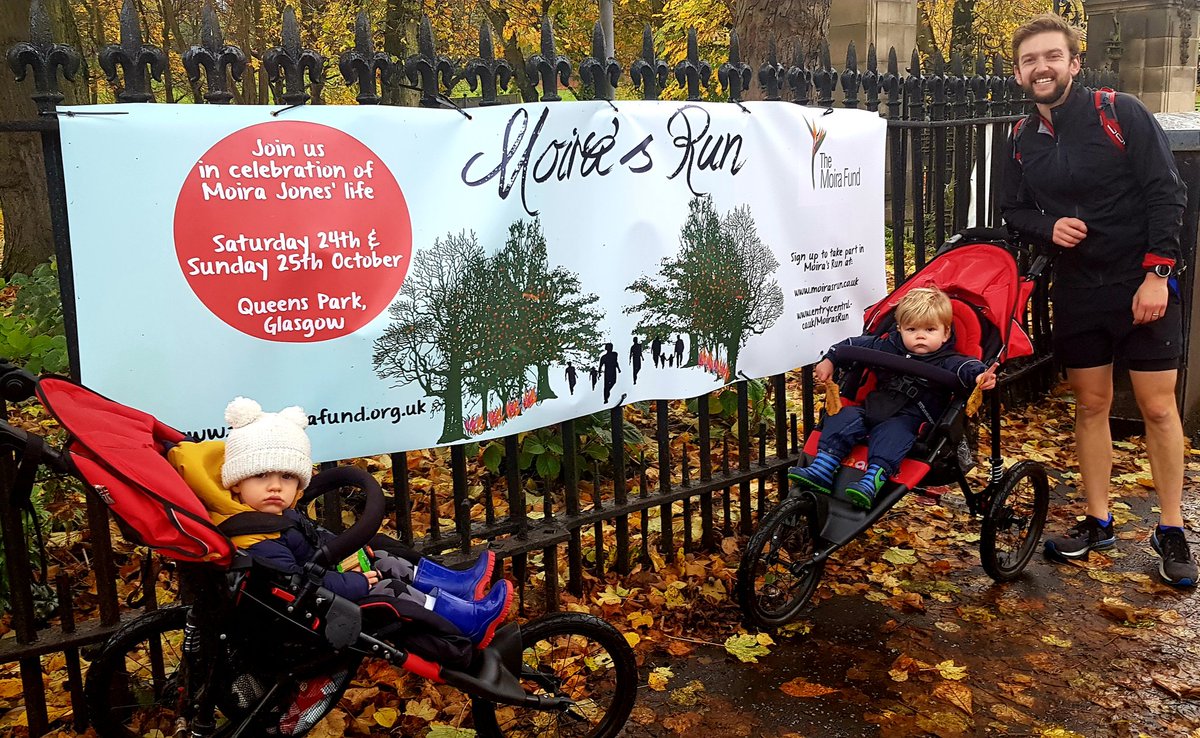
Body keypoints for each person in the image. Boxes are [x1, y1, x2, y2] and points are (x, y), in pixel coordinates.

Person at [1001, 14, 1196, 586]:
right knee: (1090, 406)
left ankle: (1171, 528)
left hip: (1143, 285)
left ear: (1074, 63)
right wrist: (1048, 227)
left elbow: (1168, 191)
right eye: (1031, 60)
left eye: (1052, 56)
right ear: (1019, 73)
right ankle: (1097, 519)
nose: (1042, 67)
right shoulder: (1021, 139)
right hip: (1080, 290)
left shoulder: (1120, 114)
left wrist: (1158, 273)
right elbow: (1011, 211)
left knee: (1159, 407)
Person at [212, 397, 513, 648]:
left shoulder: (278, 515)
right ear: (237, 483)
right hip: (315, 604)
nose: (275, 486)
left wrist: (346, 551)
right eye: (262, 476)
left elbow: (314, 537)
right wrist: (351, 582)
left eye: (287, 477)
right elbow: (294, 583)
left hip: (326, 575)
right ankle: (464, 621)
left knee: (379, 552)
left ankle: (458, 585)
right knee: (390, 589)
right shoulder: (255, 537)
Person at [788, 288, 997, 509]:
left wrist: (981, 376)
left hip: (911, 419)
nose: (920, 335)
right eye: (912, 329)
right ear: (899, 329)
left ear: (946, 333)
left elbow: (969, 368)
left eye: (930, 329)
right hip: (873, 408)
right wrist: (830, 359)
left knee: (893, 434)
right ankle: (823, 466)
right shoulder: (887, 345)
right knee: (842, 416)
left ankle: (872, 480)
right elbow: (851, 345)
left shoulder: (950, 361)